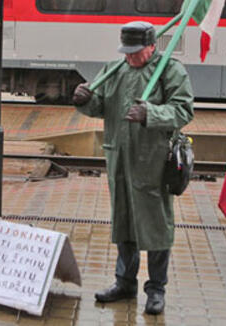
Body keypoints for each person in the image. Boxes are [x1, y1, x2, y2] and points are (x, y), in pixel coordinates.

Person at [73, 21, 194, 315]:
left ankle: (156, 289)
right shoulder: (115, 70)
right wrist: (84, 101)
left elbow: (184, 109)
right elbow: (99, 104)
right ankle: (124, 282)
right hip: (120, 159)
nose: (129, 57)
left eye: (135, 52)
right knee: (124, 222)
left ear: (151, 46)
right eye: (126, 51)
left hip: (152, 161)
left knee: (156, 225)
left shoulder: (170, 71)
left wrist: (150, 113)